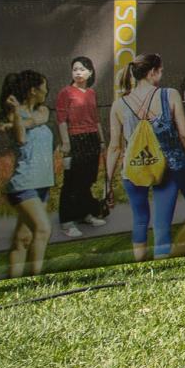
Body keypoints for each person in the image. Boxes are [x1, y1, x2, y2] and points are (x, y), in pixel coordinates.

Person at [107, 54, 185, 262]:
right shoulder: (170, 95)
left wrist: (107, 183)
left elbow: (114, 147)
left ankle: (139, 266)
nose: (161, 75)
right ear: (152, 71)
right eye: (161, 71)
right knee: (162, 223)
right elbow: (183, 134)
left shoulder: (119, 105)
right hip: (166, 168)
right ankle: (159, 272)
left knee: (139, 220)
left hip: (133, 168)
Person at [0, 70, 57, 276]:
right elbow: (21, 139)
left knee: (23, 239)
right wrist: (15, 115)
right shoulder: (13, 112)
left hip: (42, 183)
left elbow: (35, 121)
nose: (46, 92)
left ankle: (11, 284)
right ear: (33, 90)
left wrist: (15, 124)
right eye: (44, 88)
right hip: (24, 183)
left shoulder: (43, 111)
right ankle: (35, 282)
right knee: (43, 229)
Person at [54, 56, 108, 238]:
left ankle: (85, 214)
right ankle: (66, 221)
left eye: (82, 69)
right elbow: (61, 119)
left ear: (90, 72)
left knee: (87, 180)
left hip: (92, 138)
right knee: (71, 182)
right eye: (75, 69)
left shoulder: (91, 93)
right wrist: (66, 142)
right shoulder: (66, 92)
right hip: (75, 138)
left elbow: (96, 119)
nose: (78, 72)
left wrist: (101, 141)